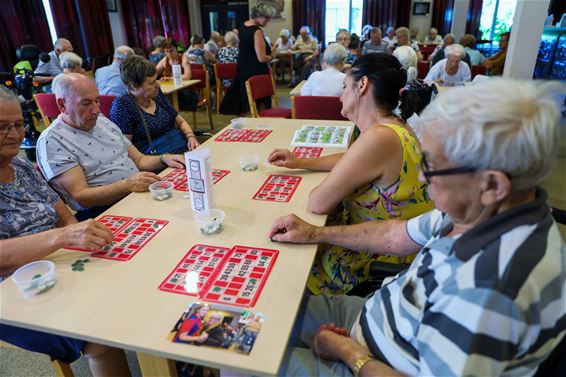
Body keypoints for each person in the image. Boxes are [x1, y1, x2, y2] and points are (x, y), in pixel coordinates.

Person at [270, 79, 566, 376]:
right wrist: (314, 233)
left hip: (372, 361)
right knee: (261, 317)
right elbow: (394, 236)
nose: (423, 178)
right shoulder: (485, 208)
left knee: (246, 359)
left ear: (492, 185)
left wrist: (347, 352)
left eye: (433, 167)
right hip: (378, 318)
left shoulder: (489, 292)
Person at [268, 54, 433, 295]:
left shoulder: (379, 138)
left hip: (375, 260)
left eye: (345, 86)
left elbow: (317, 203)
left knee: (282, 275)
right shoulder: (396, 126)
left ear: (363, 85)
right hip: (399, 249)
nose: (340, 95)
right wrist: (299, 162)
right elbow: (353, 160)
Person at [0, 85, 131, 377]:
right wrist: (62, 237)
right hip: (12, 291)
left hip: (56, 262)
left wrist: (80, 238)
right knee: (99, 326)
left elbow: (64, 216)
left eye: (19, 124)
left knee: (132, 278)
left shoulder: (21, 167)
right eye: (2, 126)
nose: (14, 133)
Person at [36, 73, 185, 220]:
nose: (96, 110)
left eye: (97, 101)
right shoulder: (52, 140)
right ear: (62, 105)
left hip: (135, 195)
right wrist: (128, 185)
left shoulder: (101, 121)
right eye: (86, 103)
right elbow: (82, 196)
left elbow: (139, 160)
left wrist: (165, 158)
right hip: (103, 212)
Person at [110, 55, 199, 154]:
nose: (158, 84)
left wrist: (191, 137)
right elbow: (126, 151)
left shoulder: (156, 95)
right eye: (152, 83)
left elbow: (180, 121)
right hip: (158, 162)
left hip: (183, 149)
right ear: (134, 86)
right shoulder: (122, 106)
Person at [219, 2, 275, 115]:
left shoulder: (242, 26)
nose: (268, 21)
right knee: (261, 104)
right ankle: (262, 127)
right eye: (267, 18)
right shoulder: (257, 31)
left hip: (243, 68)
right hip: (256, 71)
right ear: (259, 15)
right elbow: (261, 58)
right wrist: (272, 55)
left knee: (244, 101)